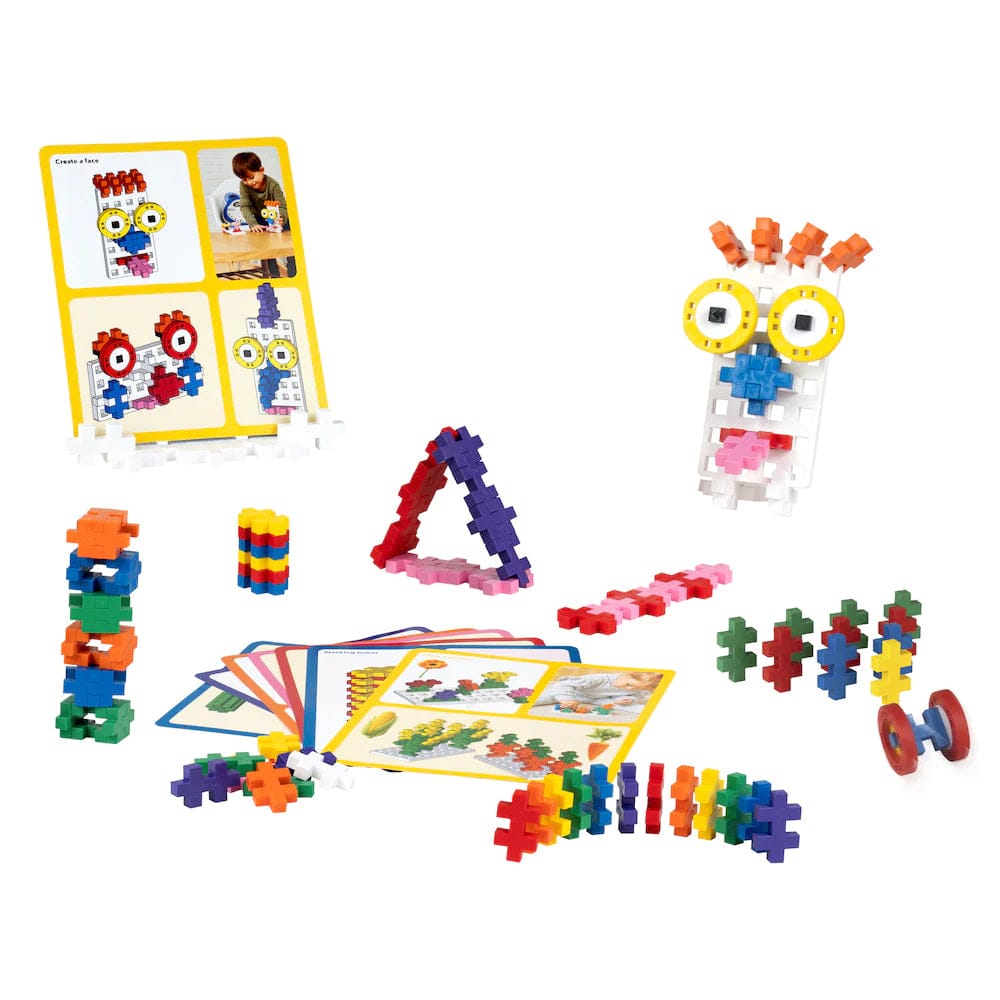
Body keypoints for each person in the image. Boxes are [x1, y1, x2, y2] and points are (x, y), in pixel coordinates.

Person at [231, 151, 297, 278]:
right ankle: (273, 276)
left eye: (251, 177)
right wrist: (253, 224)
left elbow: (283, 205)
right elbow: (244, 206)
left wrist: (282, 219)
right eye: (244, 180)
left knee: (290, 247)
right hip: (260, 219)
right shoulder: (244, 186)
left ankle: (293, 273)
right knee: (266, 251)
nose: (249, 182)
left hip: (278, 218)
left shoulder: (273, 185)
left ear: (261, 170)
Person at [532, 671, 660, 713]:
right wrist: (567, 699)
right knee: (541, 698)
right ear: (626, 675)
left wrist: (632, 698)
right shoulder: (599, 679)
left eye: (635, 688)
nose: (628, 689)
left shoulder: (636, 688)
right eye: (628, 684)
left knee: (636, 707)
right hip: (574, 693)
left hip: (597, 699)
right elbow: (564, 684)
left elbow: (640, 695)